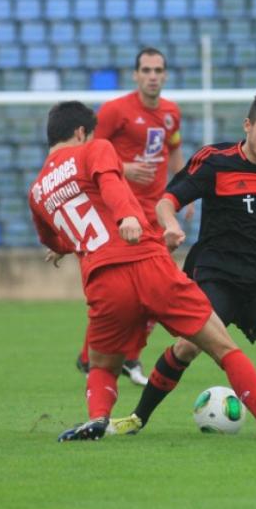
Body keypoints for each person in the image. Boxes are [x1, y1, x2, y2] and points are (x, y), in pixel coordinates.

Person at [28, 100, 256, 441]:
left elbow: (50, 236)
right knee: (221, 348)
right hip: (149, 261)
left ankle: (98, 418)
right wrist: (128, 217)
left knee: (102, 364)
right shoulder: (96, 149)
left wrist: (61, 248)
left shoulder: (38, 189)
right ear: (81, 132)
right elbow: (112, 184)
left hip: (102, 278)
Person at [109, 90, 256, 436]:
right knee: (188, 346)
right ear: (247, 125)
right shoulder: (216, 161)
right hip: (215, 277)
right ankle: (137, 417)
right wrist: (172, 226)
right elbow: (166, 202)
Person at [74, 47, 190, 386]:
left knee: (154, 286)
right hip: (123, 213)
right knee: (122, 289)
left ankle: (121, 356)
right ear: (136, 75)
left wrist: (185, 192)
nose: (153, 76)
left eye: (158, 70)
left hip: (156, 211)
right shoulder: (115, 111)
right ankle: (101, 356)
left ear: (165, 75)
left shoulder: (171, 113)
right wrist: (124, 168)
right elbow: (88, 152)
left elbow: (174, 149)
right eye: (146, 70)